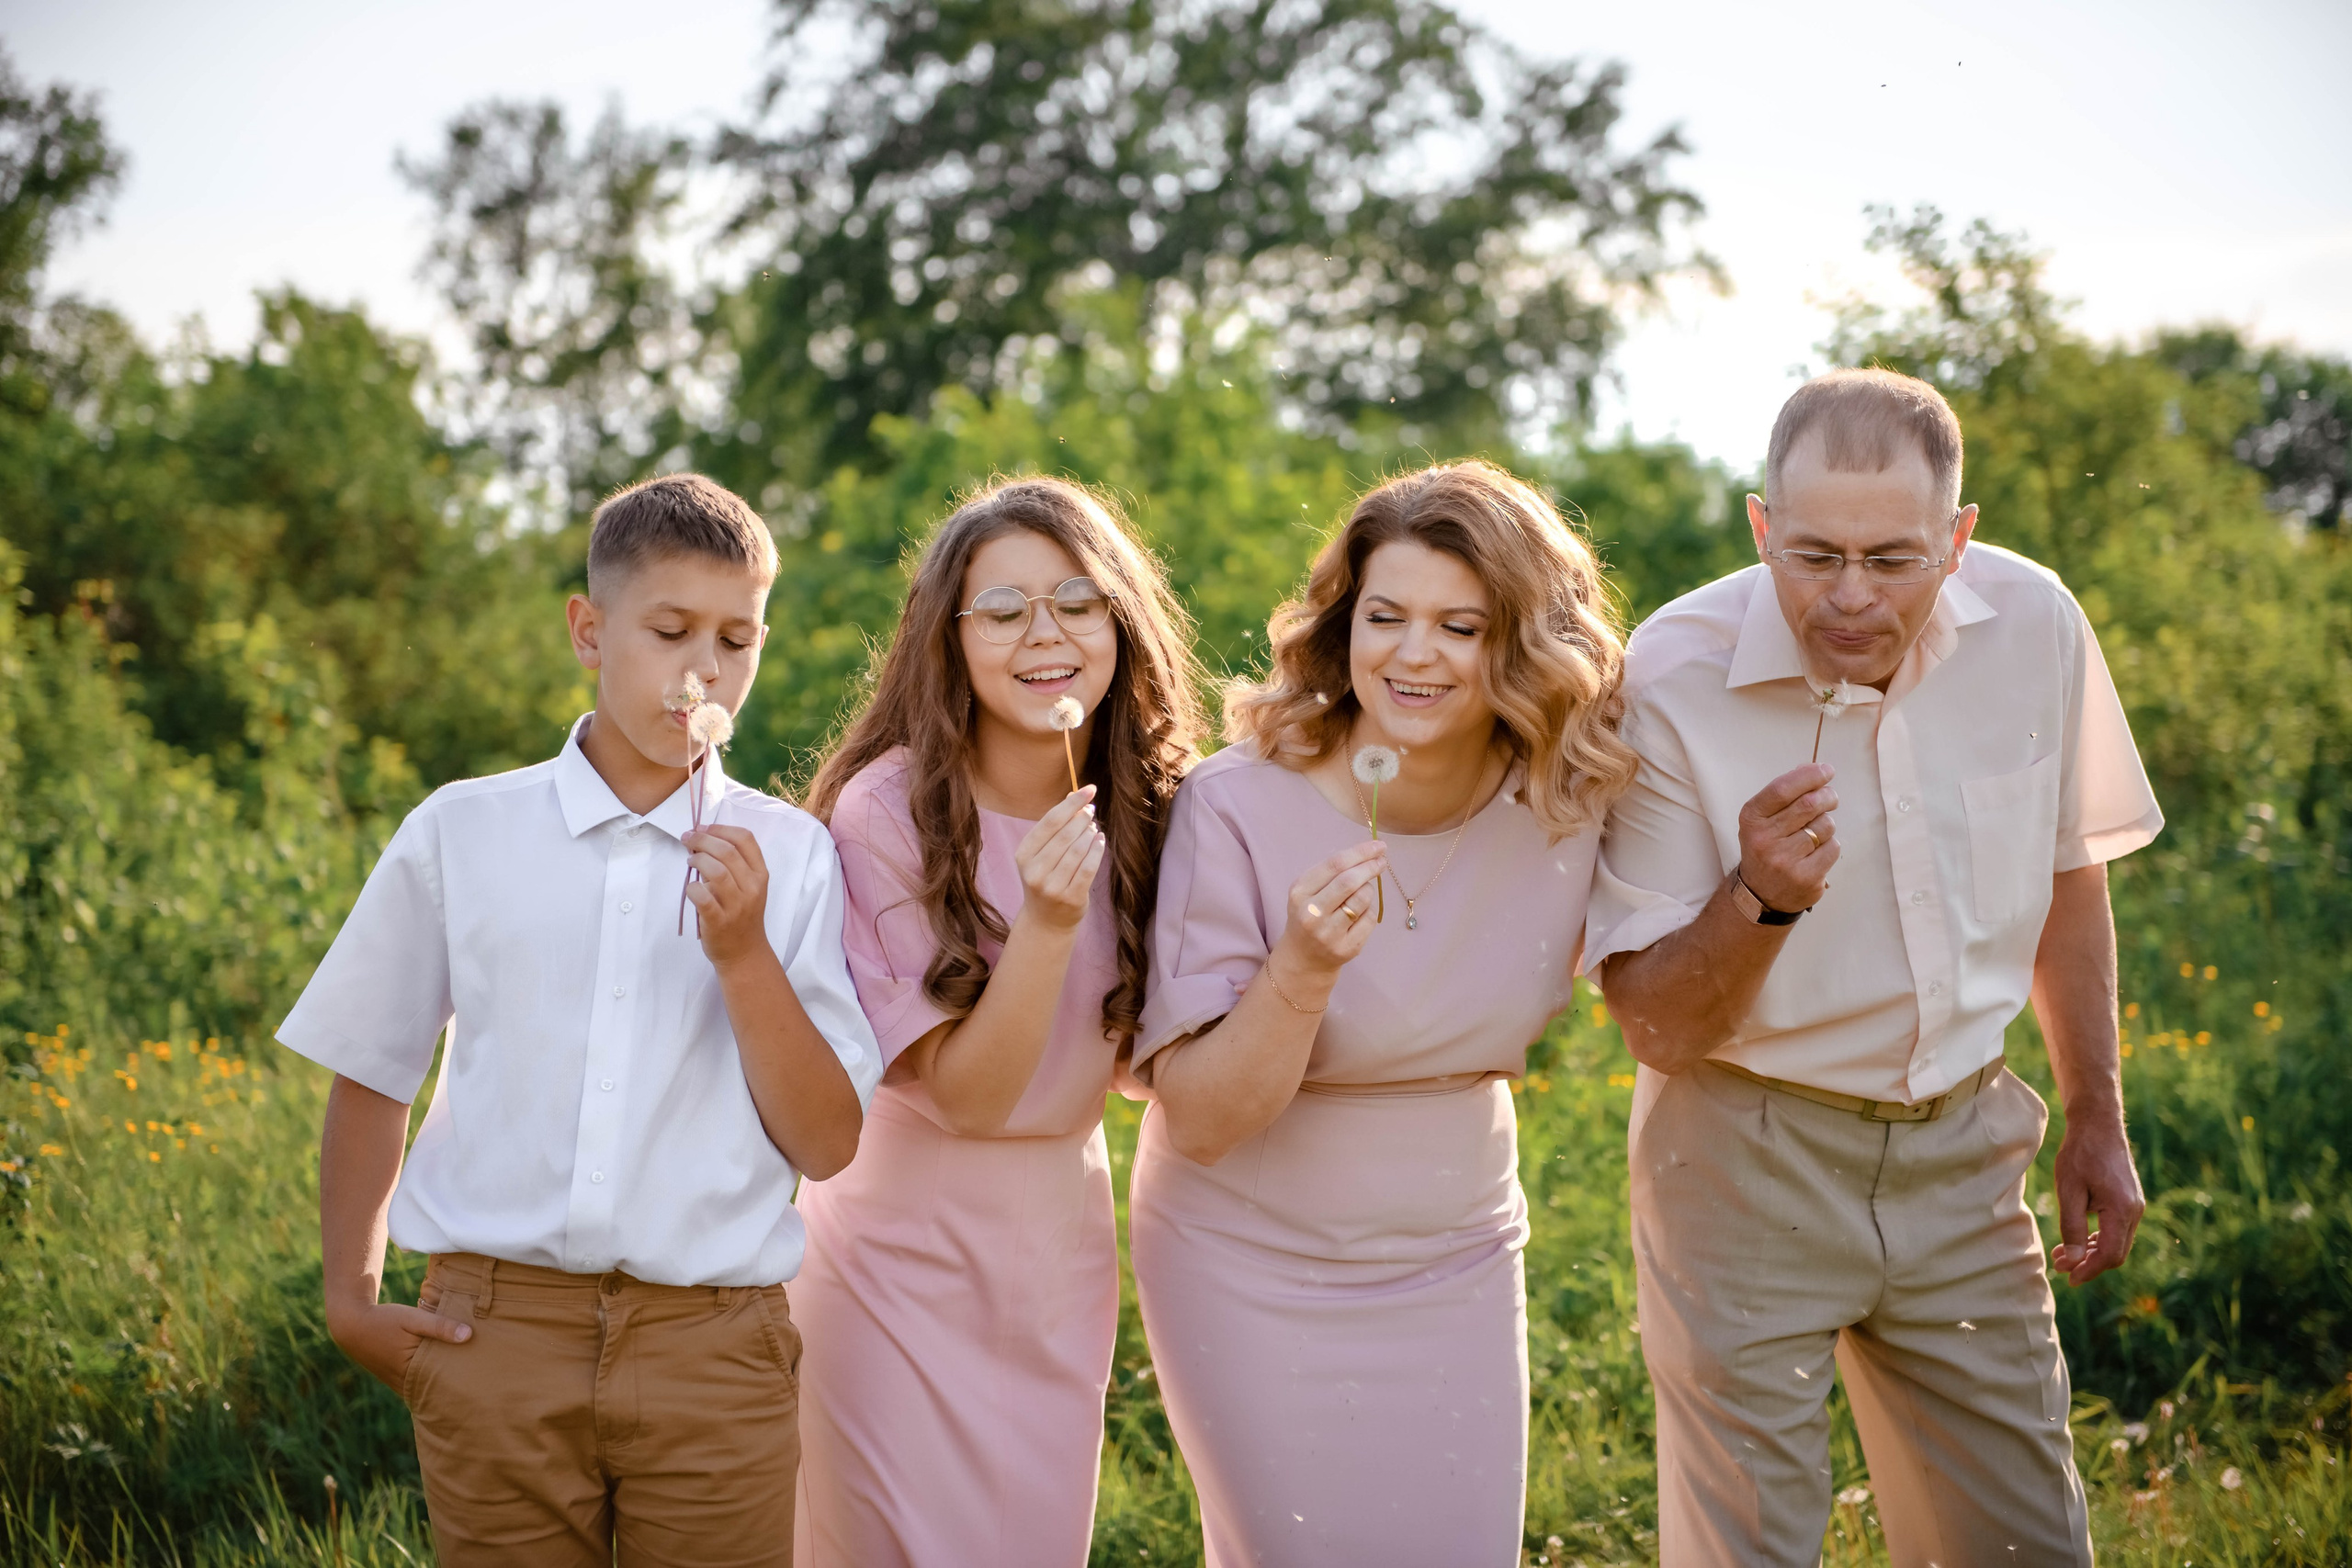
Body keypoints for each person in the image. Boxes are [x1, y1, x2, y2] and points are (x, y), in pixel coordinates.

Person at [1588, 368, 2164, 1566]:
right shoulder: (1672, 672)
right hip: (1740, 1157)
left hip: (1964, 1152)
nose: (1848, 596)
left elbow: (2068, 872)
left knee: (2025, 1547)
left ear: (1957, 537)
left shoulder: (2037, 623)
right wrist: (1758, 897)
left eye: (1893, 558)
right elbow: (1650, 1023)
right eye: (1812, 554)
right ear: (1761, 526)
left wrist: (2097, 1114)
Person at [278, 473, 881, 1565]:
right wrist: (349, 1298)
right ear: (589, 631)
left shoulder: (791, 859)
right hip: (494, 1330)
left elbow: (827, 1143)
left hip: (714, 1342)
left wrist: (742, 955)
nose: (704, 669)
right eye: (670, 630)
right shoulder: (464, 830)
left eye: (737, 640)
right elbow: (373, 1067)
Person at [1128, 460, 1634, 1565]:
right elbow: (1202, 1119)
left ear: (1520, 643)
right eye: (1385, 616)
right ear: (1339, 623)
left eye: (1460, 625)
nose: (1414, 654)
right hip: (1246, 1265)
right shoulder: (1236, 802)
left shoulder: (1568, 797)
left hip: (1456, 1258)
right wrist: (1299, 974)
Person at [790, 477, 1204, 1566]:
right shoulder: (886, 810)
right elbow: (969, 1099)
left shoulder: (1164, 803)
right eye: (1004, 610)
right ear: (950, 639)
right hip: (889, 1265)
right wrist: (1050, 922)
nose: (1045, 634)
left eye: (1076, 600)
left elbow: (1151, 1066)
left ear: (1121, 619)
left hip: (1053, 1259)